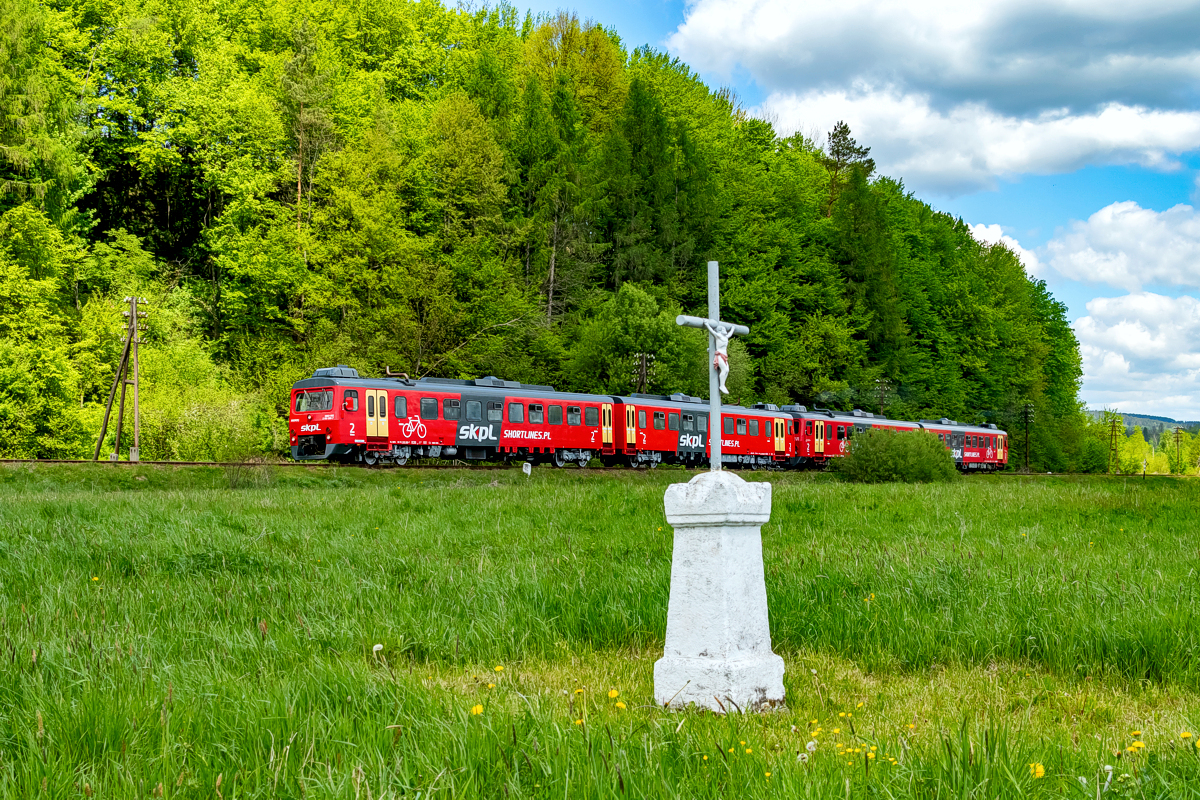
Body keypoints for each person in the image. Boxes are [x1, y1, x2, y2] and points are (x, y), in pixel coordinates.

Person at [704, 321, 732, 395]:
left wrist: (733, 328)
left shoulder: (725, 337)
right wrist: (707, 325)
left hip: (724, 356)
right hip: (719, 355)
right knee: (724, 369)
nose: (724, 330)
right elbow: (712, 332)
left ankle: (723, 384)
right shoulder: (718, 336)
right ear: (720, 330)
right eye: (723, 329)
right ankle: (722, 385)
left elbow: (730, 334)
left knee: (727, 370)